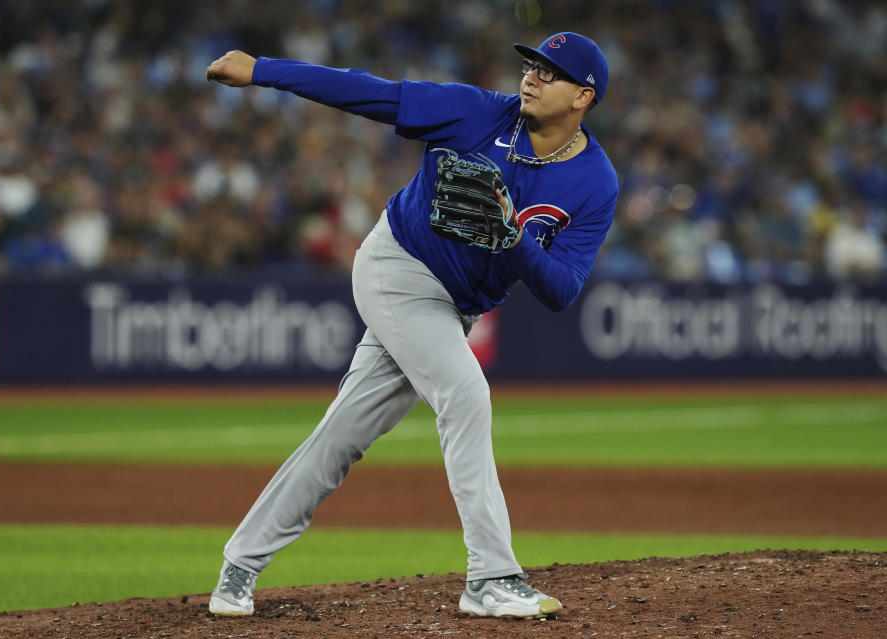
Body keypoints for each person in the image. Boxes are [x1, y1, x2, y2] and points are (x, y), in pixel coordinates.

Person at [204, 31, 617, 619]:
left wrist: (514, 238)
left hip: (455, 307)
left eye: (550, 73)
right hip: (397, 267)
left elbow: (561, 291)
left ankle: (240, 564)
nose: (531, 76)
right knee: (466, 393)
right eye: (531, 65)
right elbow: (371, 94)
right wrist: (264, 70)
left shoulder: (596, 182)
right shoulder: (475, 112)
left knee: (341, 436)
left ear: (583, 96)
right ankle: (491, 576)